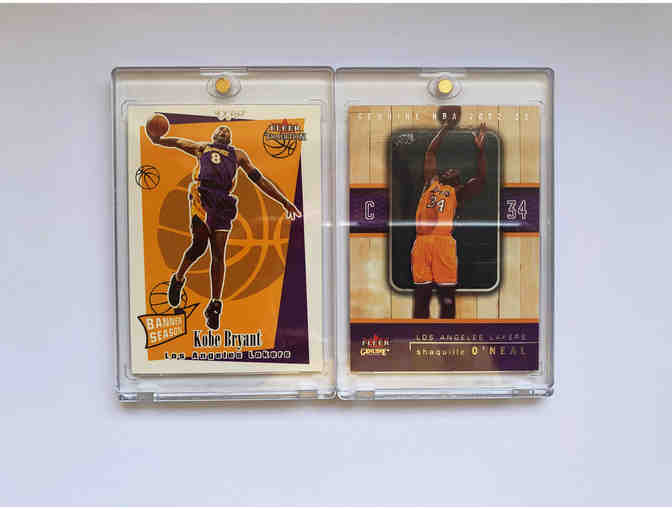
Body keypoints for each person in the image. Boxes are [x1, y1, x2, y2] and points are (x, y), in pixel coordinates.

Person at [148, 125, 302, 330]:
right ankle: (178, 279)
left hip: (222, 202)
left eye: (227, 130)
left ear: (230, 138)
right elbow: (178, 142)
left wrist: (283, 201)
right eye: (220, 129)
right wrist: (158, 140)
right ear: (213, 135)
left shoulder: (238, 155)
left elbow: (260, 180)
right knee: (200, 245)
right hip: (202, 195)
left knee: (219, 253)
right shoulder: (202, 148)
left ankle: (214, 305)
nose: (223, 130)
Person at [411, 121, 487, 318]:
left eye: (453, 170)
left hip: (443, 243)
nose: (449, 169)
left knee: (447, 298)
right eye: (447, 169)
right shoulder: (431, 182)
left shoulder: (458, 192)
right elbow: (430, 153)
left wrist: (480, 150)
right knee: (421, 297)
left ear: (458, 179)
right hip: (421, 242)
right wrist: (445, 128)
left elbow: (481, 179)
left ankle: (447, 331)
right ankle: (418, 332)